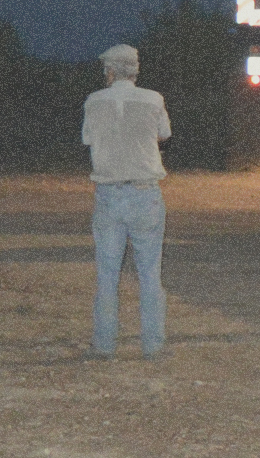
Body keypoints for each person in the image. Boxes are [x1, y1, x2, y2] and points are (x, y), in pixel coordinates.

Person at [81, 44, 172, 361]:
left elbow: (88, 139)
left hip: (109, 194)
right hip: (145, 194)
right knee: (150, 274)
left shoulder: (94, 101)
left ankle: (104, 345)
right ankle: (153, 346)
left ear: (110, 71)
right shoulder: (154, 99)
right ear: (135, 70)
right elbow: (163, 134)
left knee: (107, 275)